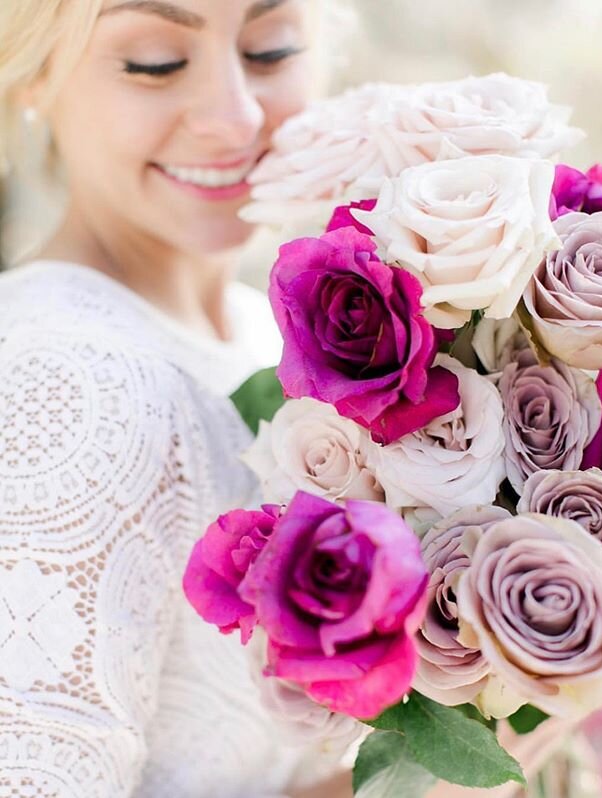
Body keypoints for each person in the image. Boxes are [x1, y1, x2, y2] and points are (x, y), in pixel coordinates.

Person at [0, 1, 355, 795]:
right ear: (31, 73)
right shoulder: (67, 386)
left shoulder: (279, 337)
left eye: (271, 49)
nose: (236, 118)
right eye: (155, 61)